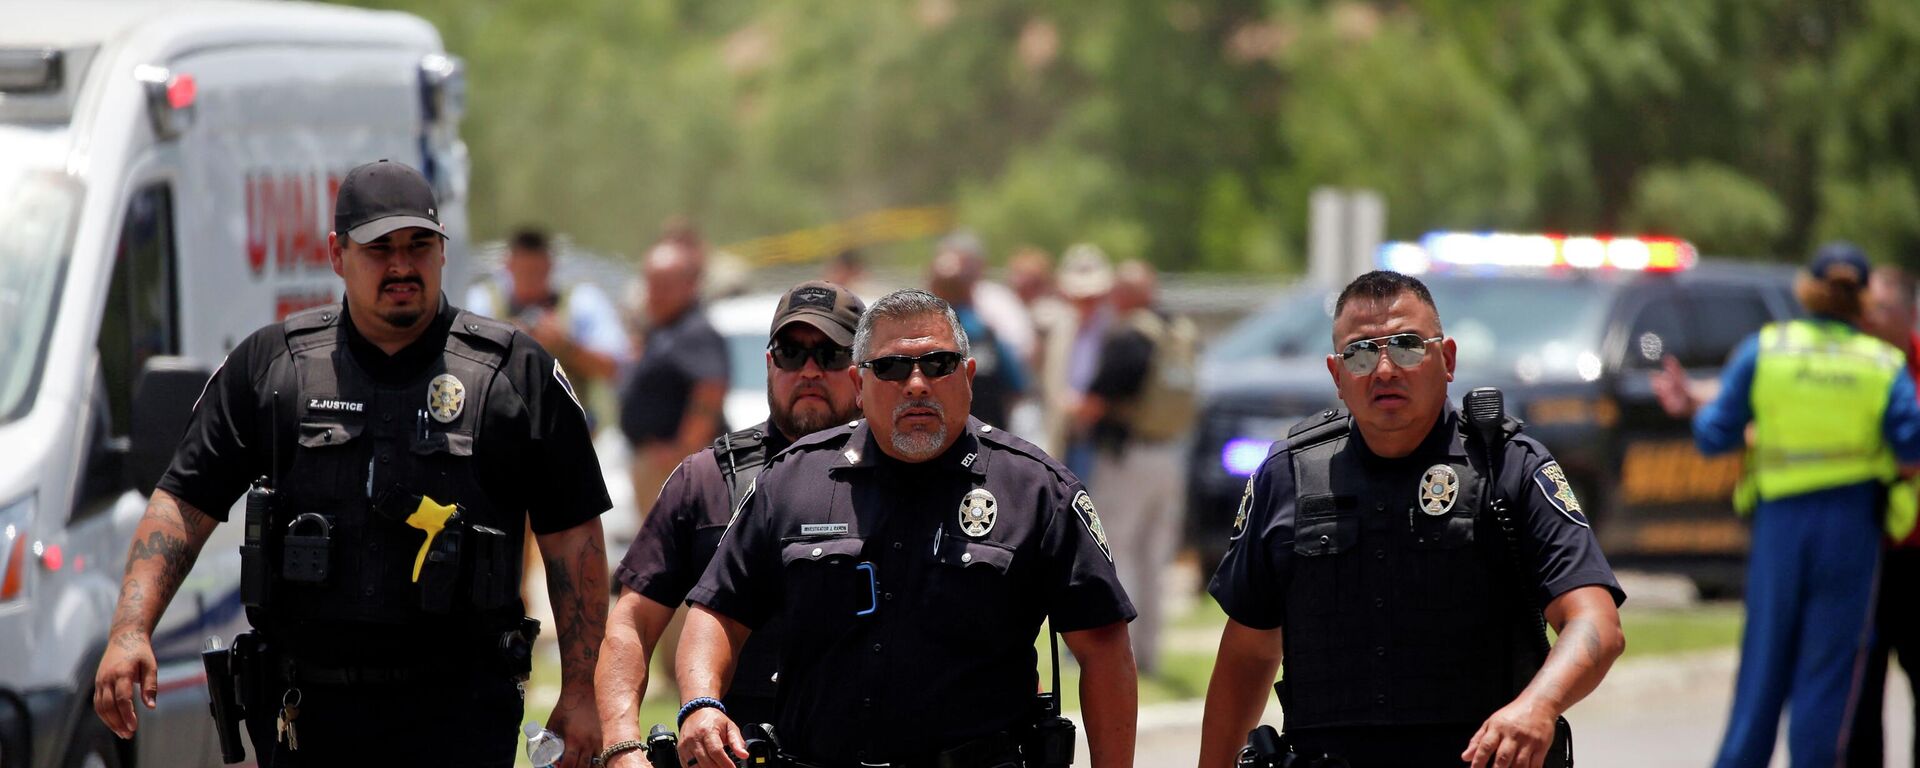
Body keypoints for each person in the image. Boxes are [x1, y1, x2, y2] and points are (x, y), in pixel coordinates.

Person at [91, 160, 610, 767]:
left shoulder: (513, 373)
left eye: (419, 245)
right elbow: (184, 501)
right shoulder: (272, 368)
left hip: (460, 712)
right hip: (308, 714)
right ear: (337, 254)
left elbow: (574, 538)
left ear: (443, 252)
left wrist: (581, 688)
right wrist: (131, 628)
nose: (400, 266)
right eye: (379, 248)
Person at [675, 289, 1139, 768]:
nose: (917, 383)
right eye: (892, 368)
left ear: (969, 376)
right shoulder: (793, 480)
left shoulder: (1037, 491)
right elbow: (716, 612)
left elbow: (1104, 649)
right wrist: (701, 703)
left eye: (938, 364)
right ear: (858, 383)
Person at [1199, 270, 1627, 768]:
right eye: (1360, 353)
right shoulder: (1286, 475)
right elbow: (1247, 657)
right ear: (1337, 377)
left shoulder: (1508, 465)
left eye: (1406, 346)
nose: (1384, 369)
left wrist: (1538, 706)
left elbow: (1596, 623)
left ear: (1445, 359)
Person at [1648, 243, 1920, 767]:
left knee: (1762, 673)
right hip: (1852, 529)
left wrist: (1736, 421)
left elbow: (1712, 435)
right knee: (1828, 676)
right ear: (1862, 299)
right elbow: (1911, 449)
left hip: (1780, 529)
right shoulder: (1883, 365)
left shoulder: (1767, 349)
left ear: (1809, 288)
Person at [592, 281, 866, 768]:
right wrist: (620, 743)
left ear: (861, 370)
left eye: (829, 354)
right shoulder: (707, 480)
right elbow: (632, 620)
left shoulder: (901, 475)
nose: (808, 370)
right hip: (734, 750)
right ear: (768, 364)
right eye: (790, 352)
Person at [1074, 259, 1198, 676]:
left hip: (1129, 457)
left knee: (1117, 551)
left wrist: (1068, 415)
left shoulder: (1131, 336)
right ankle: (1149, 656)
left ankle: (1117, 653)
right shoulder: (1179, 330)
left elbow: (1096, 401)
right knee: (1155, 557)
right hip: (1170, 454)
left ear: (1124, 295)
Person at [1852, 263, 1920, 768]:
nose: (1866, 318)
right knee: (1861, 692)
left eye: (1875, 308)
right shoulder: (1858, 367)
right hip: (1864, 555)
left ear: (1904, 313)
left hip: (1917, 557)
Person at [466, 227, 630, 431]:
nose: (531, 278)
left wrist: (565, 346)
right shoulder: (482, 302)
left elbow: (613, 368)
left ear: (551, 266)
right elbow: (462, 363)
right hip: (501, 431)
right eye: (524, 271)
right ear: (508, 266)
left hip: (568, 431)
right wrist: (505, 341)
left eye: (537, 271)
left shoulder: (582, 302)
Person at [619, 231, 730, 516]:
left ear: (690, 286)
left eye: (665, 285)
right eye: (651, 284)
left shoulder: (695, 332)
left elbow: (710, 390)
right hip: (657, 466)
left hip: (674, 469)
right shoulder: (663, 329)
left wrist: (680, 454)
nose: (654, 293)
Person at [929, 248, 1030, 428]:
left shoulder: (923, 333)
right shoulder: (984, 329)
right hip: (986, 432)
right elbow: (1017, 384)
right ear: (969, 290)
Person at [1039, 243, 1116, 474]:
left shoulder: (1113, 329)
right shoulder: (1061, 327)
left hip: (1102, 438)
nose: (1086, 302)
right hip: (1065, 433)